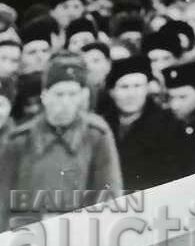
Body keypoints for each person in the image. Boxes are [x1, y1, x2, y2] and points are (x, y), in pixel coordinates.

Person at [0, 54, 122, 230]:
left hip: (80, 238)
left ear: (82, 96)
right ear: (45, 96)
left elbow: (110, 197)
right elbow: (3, 202)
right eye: (59, 94)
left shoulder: (96, 136)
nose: (65, 102)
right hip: (27, 239)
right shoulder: (20, 140)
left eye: (72, 94)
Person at [103, 55, 186, 192]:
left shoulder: (168, 124)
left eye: (137, 86)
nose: (131, 94)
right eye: (124, 87)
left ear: (147, 88)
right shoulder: (103, 125)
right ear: (112, 91)